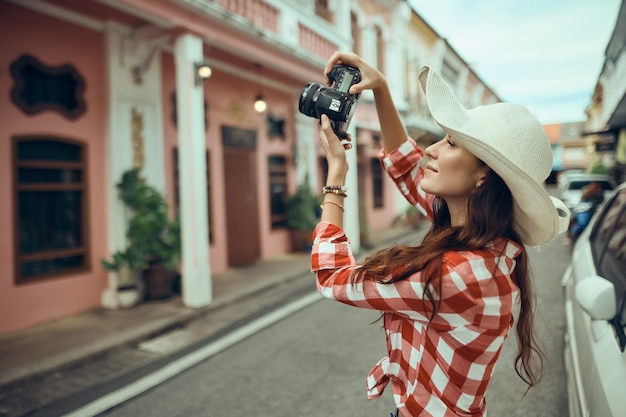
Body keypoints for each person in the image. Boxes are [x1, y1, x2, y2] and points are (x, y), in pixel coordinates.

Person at [310, 52, 570, 417]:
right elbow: (408, 170)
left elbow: (333, 278)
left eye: (450, 142)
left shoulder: (459, 275)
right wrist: (382, 89)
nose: (430, 149)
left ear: (484, 174)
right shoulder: (491, 242)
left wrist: (335, 175)